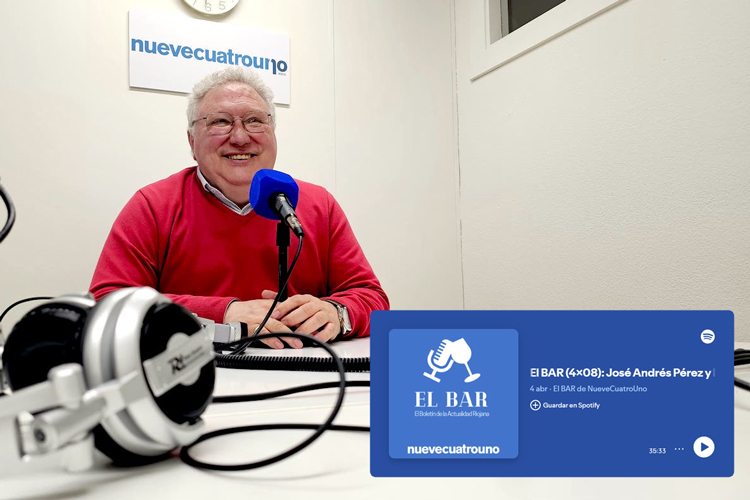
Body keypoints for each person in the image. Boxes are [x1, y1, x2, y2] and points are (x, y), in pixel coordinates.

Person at [90, 67, 389, 349]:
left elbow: (373, 299)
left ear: (273, 133)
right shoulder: (152, 206)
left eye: (255, 121)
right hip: (197, 375)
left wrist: (337, 313)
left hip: (308, 373)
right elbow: (107, 304)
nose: (240, 137)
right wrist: (223, 313)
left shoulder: (319, 204)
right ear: (192, 141)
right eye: (220, 122)